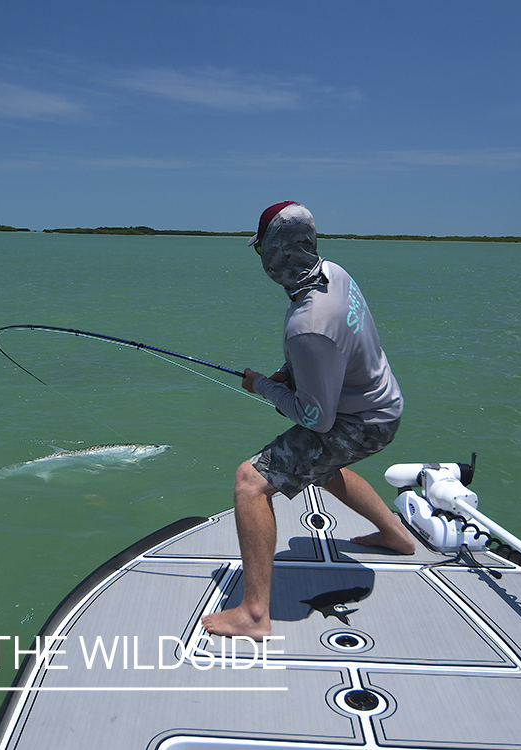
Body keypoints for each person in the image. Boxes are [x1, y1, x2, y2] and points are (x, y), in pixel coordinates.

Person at [200, 201, 414, 641]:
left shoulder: (307, 324)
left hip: (362, 420)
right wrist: (292, 374)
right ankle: (397, 536)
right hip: (383, 400)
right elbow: (335, 351)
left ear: (272, 253)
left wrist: (264, 386)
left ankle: (254, 614)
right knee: (319, 466)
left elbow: (317, 420)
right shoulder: (335, 273)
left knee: (250, 482)